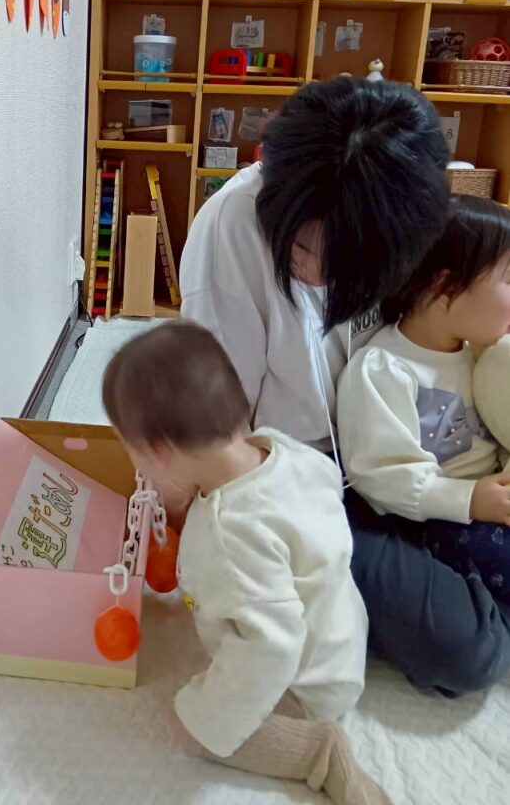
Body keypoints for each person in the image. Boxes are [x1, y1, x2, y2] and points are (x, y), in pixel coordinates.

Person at [180, 76, 510, 695]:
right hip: (303, 483)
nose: (311, 267)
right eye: (299, 244)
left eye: (338, 257)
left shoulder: (405, 214)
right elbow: (216, 431)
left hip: (412, 456)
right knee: (466, 650)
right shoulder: (232, 227)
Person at [103, 321, 389, 805]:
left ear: (159, 452)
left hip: (305, 682)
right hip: (341, 632)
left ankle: (320, 752)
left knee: (201, 729)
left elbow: (271, 649)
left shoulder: (228, 535)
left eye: (131, 451)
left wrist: (210, 713)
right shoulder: (280, 448)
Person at [338, 196, 510, 606]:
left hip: (489, 502)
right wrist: (469, 499)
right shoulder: (384, 368)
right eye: (509, 280)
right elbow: (382, 476)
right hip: (431, 520)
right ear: (444, 287)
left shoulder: (482, 354)